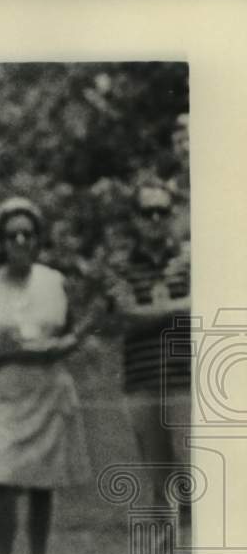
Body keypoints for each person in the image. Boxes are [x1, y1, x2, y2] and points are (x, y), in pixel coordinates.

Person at [0, 197, 92, 554]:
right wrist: (33, 351)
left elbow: (72, 335)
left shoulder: (54, 282)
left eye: (28, 234)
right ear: (2, 240)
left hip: (49, 393)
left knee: (43, 481)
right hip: (7, 395)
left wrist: (32, 349)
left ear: (38, 239)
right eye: (13, 235)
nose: (21, 242)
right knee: (4, 477)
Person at [102, 179, 192, 522]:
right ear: (135, 218)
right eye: (147, 212)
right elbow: (123, 317)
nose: (155, 219)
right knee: (160, 482)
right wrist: (180, 306)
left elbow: (207, 309)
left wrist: (152, 311)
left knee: (196, 475)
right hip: (142, 381)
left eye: (162, 211)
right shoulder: (121, 264)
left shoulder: (189, 258)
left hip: (186, 381)